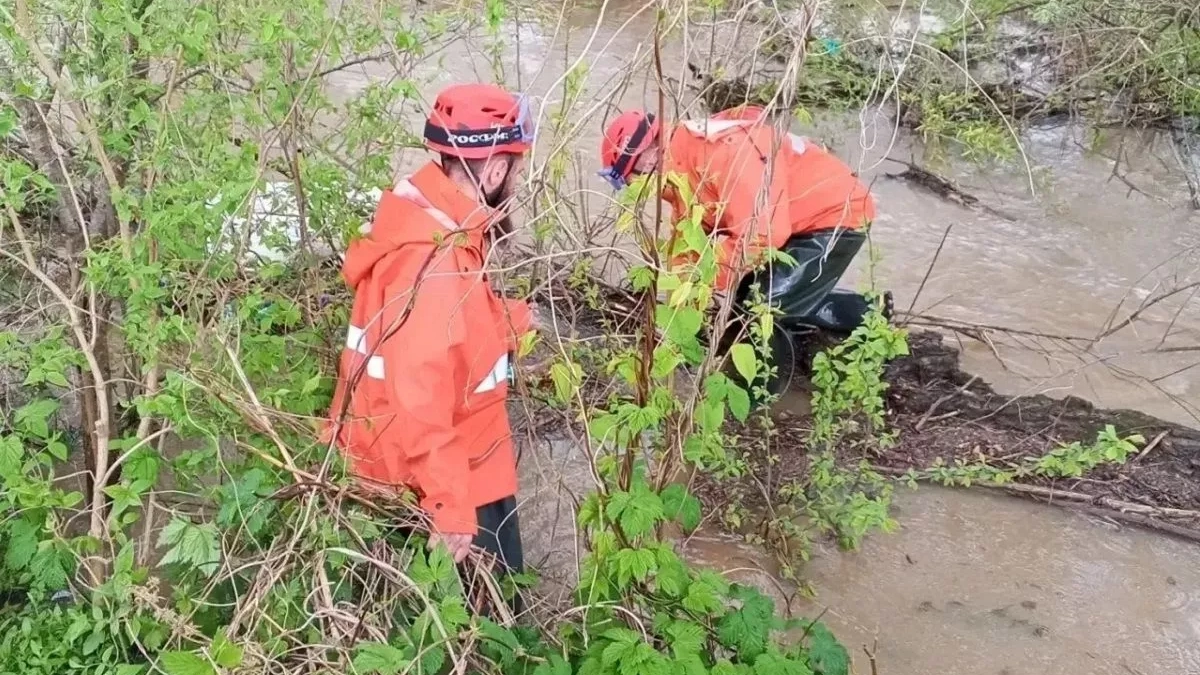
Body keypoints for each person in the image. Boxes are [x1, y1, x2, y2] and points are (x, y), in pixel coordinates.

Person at [327, 83, 535, 582]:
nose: (515, 181)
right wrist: (450, 506)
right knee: (491, 629)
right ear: (496, 169)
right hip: (445, 478)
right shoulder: (437, 259)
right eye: (516, 168)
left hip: (399, 464)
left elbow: (439, 339)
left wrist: (510, 322)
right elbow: (418, 389)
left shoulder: (432, 226)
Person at [598, 105, 891, 392]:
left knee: (761, 306)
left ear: (647, 161)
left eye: (630, 180)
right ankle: (870, 310)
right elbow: (686, 251)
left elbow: (764, 234)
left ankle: (762, 396)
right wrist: (681, 322)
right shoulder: (681, 169)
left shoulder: (725, 153)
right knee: (749, 298)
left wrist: (709, 279)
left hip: (834, 215)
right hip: (790, 217)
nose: (634, 190)